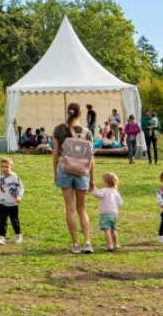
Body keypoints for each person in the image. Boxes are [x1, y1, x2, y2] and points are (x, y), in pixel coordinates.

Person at [53, 102, 95, 254]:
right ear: (80, 114)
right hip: (82, 172)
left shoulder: (59, 129)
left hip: (64, 170)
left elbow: (56, 153)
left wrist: (55, 173)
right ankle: (88, 243)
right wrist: (92, 178)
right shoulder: (87, 132)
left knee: (70, 208)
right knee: (81, 208)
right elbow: (91, 157)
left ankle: (76, 244)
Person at [91, 172, 123, 251]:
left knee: (107, 230)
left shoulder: (104, 190)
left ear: (106, 182)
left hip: (105, 214)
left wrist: (93, 188)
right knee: (113, 230)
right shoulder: (116, 192)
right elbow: (120, 203)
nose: (102, 182)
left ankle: (110, 245)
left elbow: (98, 194)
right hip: (114, 214)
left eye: (103, 181)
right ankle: (116, 244)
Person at [0, 157, 24, 245]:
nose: (4, 168)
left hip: (13, 204)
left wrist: (19, 197)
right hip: (2, 204)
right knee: (2, 221)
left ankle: (18, 235)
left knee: (14, 221)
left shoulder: (14, 177)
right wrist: (0, 195)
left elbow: (21, 188)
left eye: (6, 166)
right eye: (2, 166)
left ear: (11, 167)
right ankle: (1, 237)